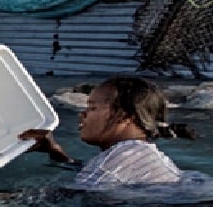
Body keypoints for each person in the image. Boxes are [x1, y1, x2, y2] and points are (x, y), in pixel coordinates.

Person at [20, 76, 197, 187]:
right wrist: (56, 152)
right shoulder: (133, 154)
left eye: (92, 108)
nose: (82, 115)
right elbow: (95, 173)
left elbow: (62, 197)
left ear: (124, 116)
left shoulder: (119, 161)